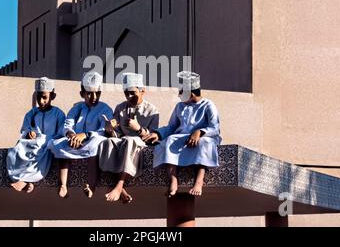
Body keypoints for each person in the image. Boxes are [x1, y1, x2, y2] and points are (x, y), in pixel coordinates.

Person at [143, 71, 222, 197]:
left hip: (205, 137)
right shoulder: (179, 106)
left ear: (190, 94)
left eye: (181, 92)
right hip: (182, 138)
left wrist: (199, 132)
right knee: (169, 141)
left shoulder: (208, 105)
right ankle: (173, 179)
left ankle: (199, 180)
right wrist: (158, 134)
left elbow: (215, 128)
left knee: (204, 143)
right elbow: (172, 127)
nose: (179, 95)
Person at [49, 71, 113, 198]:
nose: (94, 97)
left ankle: (91, 185)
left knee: (95, 144)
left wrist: (85, 135)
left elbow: (103, 130)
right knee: (55, 143)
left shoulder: (105, 109)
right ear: (82, 94)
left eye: (97, 93)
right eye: (89, 93)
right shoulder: (76, 108)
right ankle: (63, 185)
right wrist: (71, 135)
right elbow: (67, 125)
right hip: (74, 142)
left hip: (92, 140)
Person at [98, 73, 159, 203]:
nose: (129, 96)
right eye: (126, 93)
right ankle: (120, 188)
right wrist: (110, 129)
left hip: (140, 142)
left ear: (143, 91)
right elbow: (118, 135)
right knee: (108, 142)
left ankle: (119, 184)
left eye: (132, 93)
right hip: (123, 141)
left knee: (130, 140)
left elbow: (153, 137)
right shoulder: (120, 108)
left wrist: (139, 129)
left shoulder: (152, 110)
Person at [7, 77, 66, 193]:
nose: (41, 101)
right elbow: (24, 131)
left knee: (41, 146)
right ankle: (26, 181)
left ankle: (25, 181)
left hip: (49, 142)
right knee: (16, 149)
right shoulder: (31, 114)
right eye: (39, 97)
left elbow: (61, 132)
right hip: (32, 143)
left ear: (52, 96)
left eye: (44, 97)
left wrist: (47, 138)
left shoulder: (58, 113)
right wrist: (29, 134)